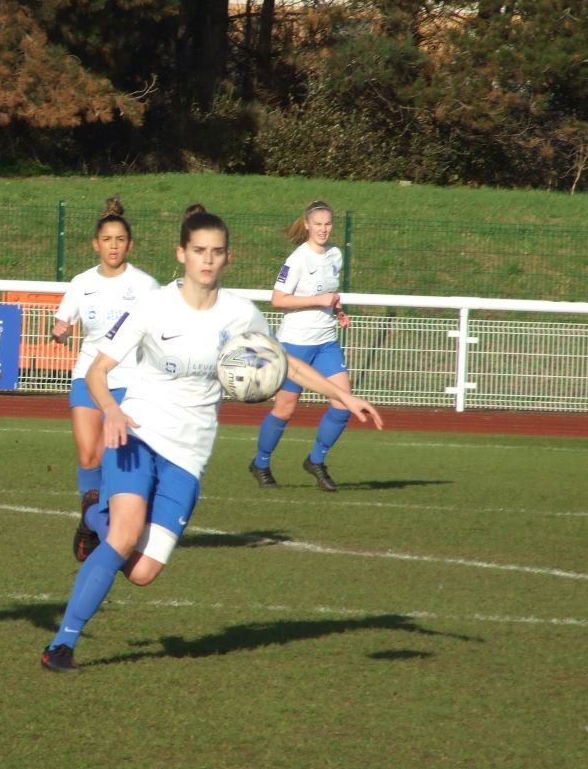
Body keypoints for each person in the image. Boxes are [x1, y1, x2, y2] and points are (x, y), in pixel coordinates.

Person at [40, 204, 383, 672]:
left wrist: (342, 394)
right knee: (123, 537)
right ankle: (62, 646)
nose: (207, 259)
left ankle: (92, 517)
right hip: (136, 433)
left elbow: (284, 361)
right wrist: (112, 411)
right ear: (181, 253)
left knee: (142, 572)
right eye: (198, 250)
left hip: (189, 452)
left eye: (216, 252)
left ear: (228, 258)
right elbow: (99, 371)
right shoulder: (153, 304)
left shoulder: (239, 314)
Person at [51, 196, 159, 561]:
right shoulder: (82, 283)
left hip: (129, 379)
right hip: (88, 374)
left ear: (129, 244)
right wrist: (61, 329)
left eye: (120, 240)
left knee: (115, 457)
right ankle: (94, 522)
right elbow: (62, 322)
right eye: (107, 239)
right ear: (96, 245)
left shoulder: (146, 285)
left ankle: (96, 524)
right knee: (88, 453)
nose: (113, 246)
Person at [248, 200, 353, 492]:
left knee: (343, 402)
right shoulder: (297, 259)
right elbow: (278, 299)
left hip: (326, 343)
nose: (323, 229)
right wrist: (316, 301)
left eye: (327, 224)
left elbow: (329, 293)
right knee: (284, 409)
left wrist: (339, 311)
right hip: (295, 344)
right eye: (317, 224)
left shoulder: (335, 255)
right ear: (307, 225)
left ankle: (316, 461)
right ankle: (260, 462)